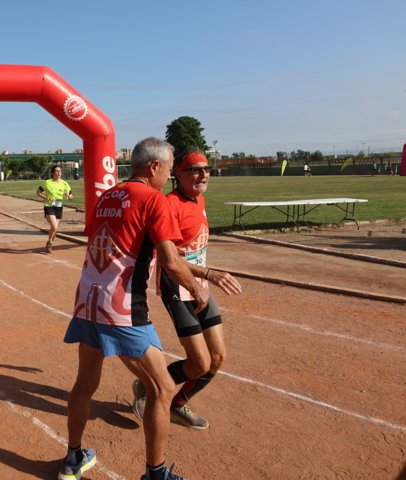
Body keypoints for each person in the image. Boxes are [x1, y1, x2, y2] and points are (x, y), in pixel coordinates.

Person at [59, 137, 207, 480]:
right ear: (154, 167)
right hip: (123, 309)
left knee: (84, 384)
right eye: (168, 170)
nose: (169, 177)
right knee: (162, 388)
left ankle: (73, 457)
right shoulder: (153, 200)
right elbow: (171, 261)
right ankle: (156, 474)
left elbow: (102, 244)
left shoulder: (107, 197)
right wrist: (196, 286)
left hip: (87, 302)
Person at [131, 151, 243, 431]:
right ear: (178, 175)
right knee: (199, 362)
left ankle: (177, 403)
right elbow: (168, 259)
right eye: (194, 169)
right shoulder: (169, 204)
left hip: (200, 285)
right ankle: (150, 385)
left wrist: (204, 277)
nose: (203, 174)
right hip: (176, 286)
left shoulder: (198, 200)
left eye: (206, 169)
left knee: (217, 357)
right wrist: (207, 273)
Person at [36, 165, 73, 253]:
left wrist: (69, 196)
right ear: (53, 173)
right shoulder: (47, 182)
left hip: (59, 207)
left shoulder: (65, 184)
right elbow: (38, 192)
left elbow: (71, 196)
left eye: (60, 171)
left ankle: (49, 242)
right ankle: (49, 243)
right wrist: (45, 197)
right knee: (54, 226)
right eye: (56, 171)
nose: (59, 172)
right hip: (49, 206)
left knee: (55, 229)